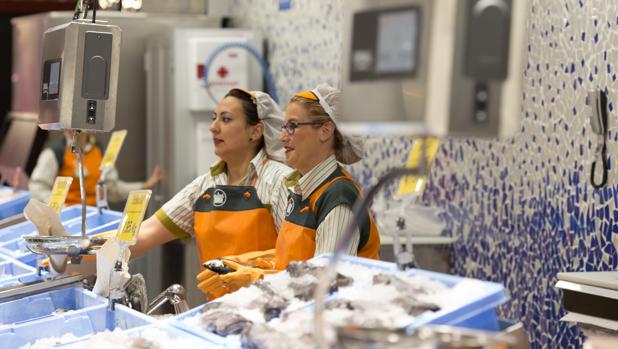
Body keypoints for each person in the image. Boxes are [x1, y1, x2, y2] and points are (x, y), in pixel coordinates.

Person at [198, 84, 381, 300]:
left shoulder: (337, 197)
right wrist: (243, 264)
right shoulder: (302, 190)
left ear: (325, 131)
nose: (283, 137)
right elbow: (292, 261)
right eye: (284, 127)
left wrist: (255, 278)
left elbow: (328, 286)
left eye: (293, 126)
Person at [131, 88, 292, 288]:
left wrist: (256, 276)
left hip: (268, 309)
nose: (213, 128)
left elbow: (296, 260)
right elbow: (146, 232)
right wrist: (90, 250)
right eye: (213, 118)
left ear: (255, 131)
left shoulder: (279, 181)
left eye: (226, 120)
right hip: (217, 310)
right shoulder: (205, 186)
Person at [29, 130, 161, 206]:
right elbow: (37, 188)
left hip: (95, 218)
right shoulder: (54, 153)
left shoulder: (98, 150)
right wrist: (61, 209)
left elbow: (111, 189)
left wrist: (144, 186)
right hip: (65, 220)